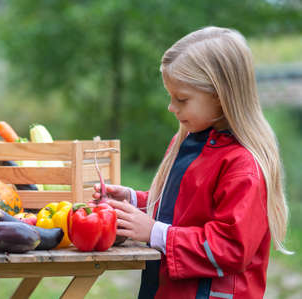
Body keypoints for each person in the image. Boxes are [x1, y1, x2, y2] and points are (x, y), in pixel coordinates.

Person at [93, 26, 291, 299]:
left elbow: (230, 247)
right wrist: (132, 202)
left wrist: (153, 232)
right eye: (170, 96)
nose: (171, 107)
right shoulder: (187, 142)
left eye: (182, 99)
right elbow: (181, 209)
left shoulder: (243, 164)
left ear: (220, 97)